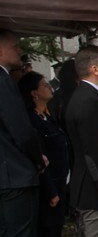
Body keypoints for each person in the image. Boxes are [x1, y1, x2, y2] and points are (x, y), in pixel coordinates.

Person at [65, 45, 98, 236]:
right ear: (95, 69)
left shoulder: (91, 97)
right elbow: (94, 155)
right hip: (94, 196)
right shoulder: (87, 102)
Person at [0, 29, 47, 237]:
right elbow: (20, 129)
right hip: (14, 175)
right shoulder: (2, 80)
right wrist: (37, 160)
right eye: (15, 46)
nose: (20, 50)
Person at [18, 71, 70, 236]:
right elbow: (39, 157)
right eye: (44, 85)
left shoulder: (47, 117)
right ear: (34, 93)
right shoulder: (32, 121)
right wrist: (51, 191)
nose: (49, 87)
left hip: (60, 183)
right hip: (49, 189)